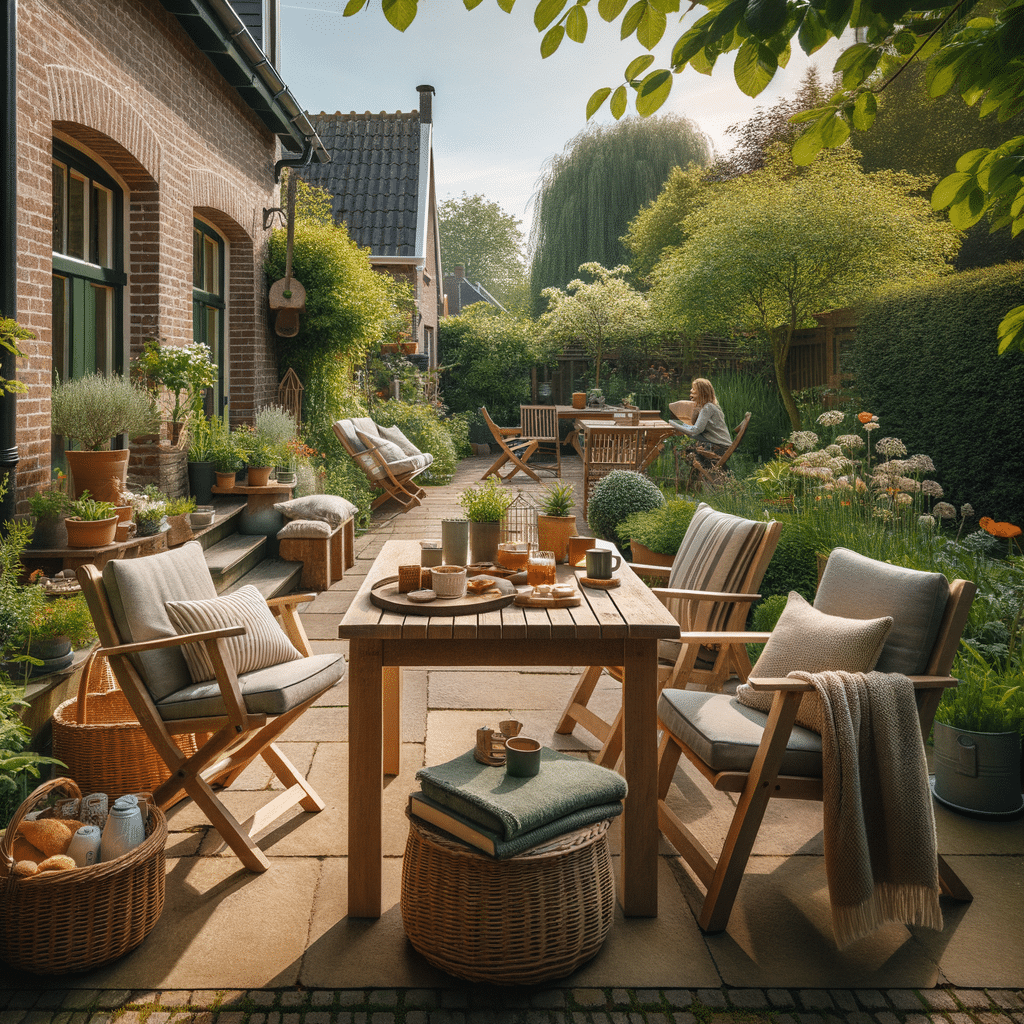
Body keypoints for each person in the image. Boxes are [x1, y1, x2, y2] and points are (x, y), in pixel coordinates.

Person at [669, 378, 732, 468]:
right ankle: (704, 478)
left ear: (701, 392)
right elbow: (695, 429)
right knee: (690, 450)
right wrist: (679, 424)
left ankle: (706, 478)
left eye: (694, 389)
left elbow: (695, 431)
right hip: (723, 446)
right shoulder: (711, 406)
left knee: (690, 453)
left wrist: (672, 424)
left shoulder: (707, 408)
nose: (691, 390)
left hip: (720, 448)